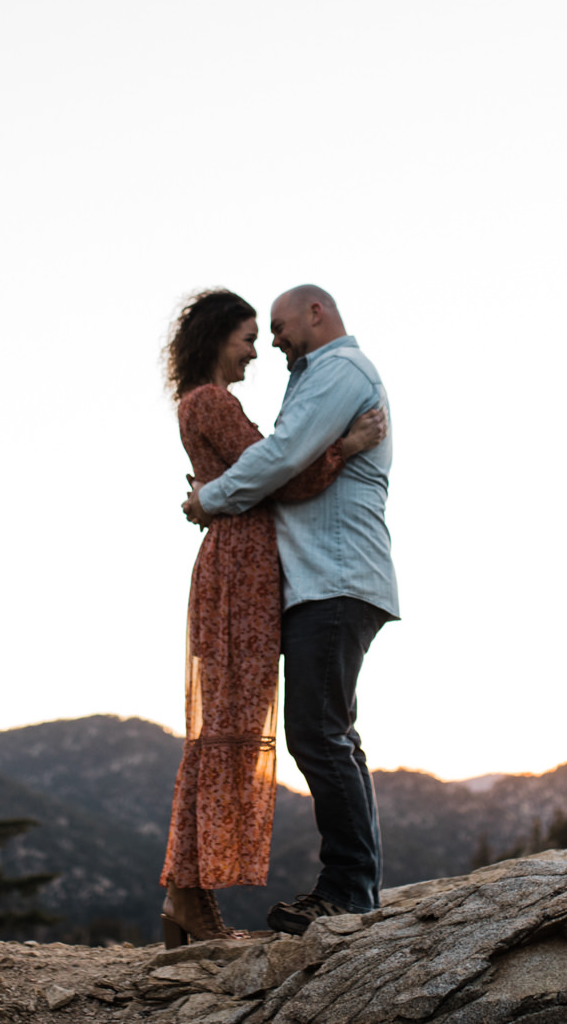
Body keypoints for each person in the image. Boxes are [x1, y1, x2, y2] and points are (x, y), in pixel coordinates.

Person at [160, 289, 388, 946]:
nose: (258, 350)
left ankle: (189, 892)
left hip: (244, 565)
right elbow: (284, 470)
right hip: (241, 570)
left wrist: (211, 495)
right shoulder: (215, 402)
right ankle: (188, 888)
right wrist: (345, 444)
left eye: (267, 334)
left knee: (232, 723)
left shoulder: (203, 403)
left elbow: (269, 466)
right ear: (216, 337)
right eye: (247, 336)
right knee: (231, 726)